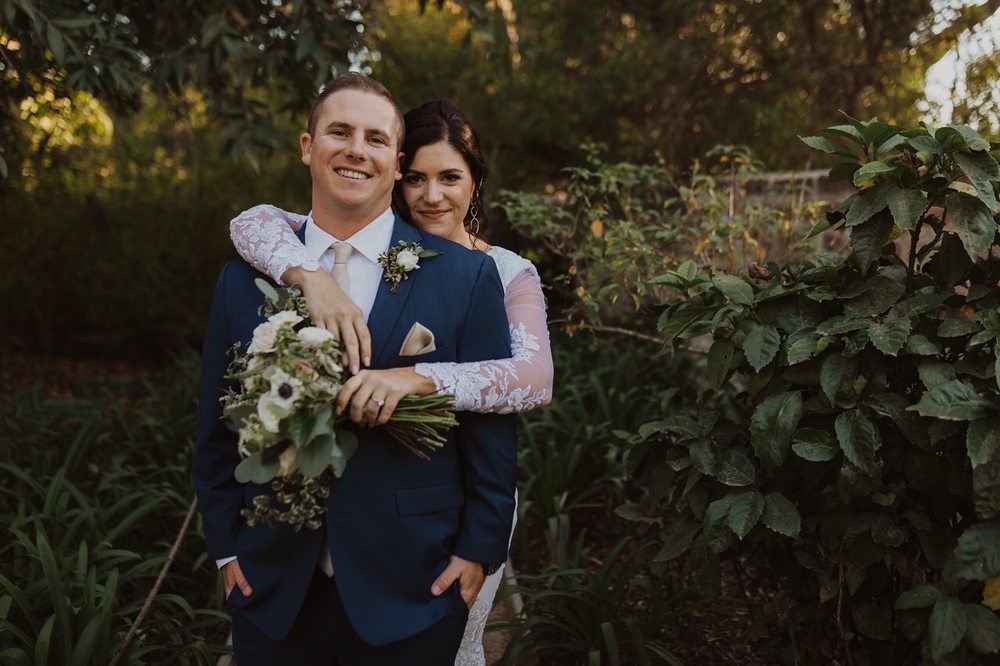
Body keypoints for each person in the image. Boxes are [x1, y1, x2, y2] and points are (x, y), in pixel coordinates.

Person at [193, 73, 518, 665]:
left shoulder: (466, 277)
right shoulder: (243, 280)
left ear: (396, 164)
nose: (356, 150)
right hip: (272, 588)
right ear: (308, 146)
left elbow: (491, 434)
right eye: (339, 132)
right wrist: (226, 549)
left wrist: (478, 552)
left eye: (375, 139)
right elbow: (217, 425)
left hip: (417, 588)